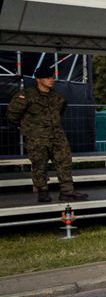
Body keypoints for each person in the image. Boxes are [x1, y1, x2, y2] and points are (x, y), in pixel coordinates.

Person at [6, 65, 88, 203]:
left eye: (52, 77)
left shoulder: (57, 97)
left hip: (56, 135)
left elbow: (60, 111)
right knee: (39, 164)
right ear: (38, 79)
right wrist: (28, 129)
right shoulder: (26, 95)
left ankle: (67, 191)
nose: (51, 80)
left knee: (64, 161)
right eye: (47, 77)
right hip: (37, 137)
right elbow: (12, 114)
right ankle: (43, 191)